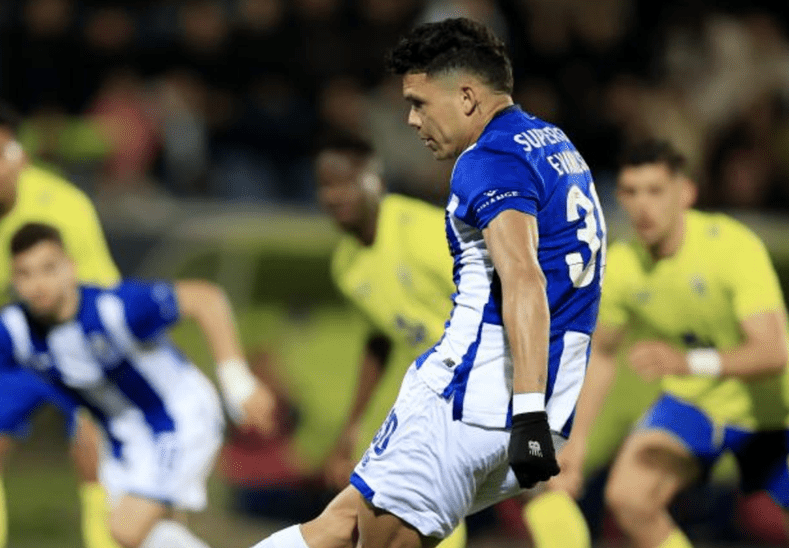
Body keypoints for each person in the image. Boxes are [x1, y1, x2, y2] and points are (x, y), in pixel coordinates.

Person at [254, 18, 605, 548]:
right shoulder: (554, 144)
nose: (412, 120)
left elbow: (524, 278)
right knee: (342, 524)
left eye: (420, 102)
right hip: (544, 395)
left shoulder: (485, 162)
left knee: (360, 532)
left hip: (469, 397)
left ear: (466, 96)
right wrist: (537, 412)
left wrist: (527, 411)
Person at [549, 139, 789, 548]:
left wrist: (688, 363)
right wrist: (576, 441)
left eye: (656, 191)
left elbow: (772, 353)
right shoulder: (622, 266)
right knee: (629, 498)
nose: (643, 205)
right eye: (631, 192)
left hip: (773, 414)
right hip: (695, 404)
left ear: (686, 193)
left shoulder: (732, 249)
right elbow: (603, 354)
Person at [314, 132, 592, 548]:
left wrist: (531, 385)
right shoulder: (346, 266)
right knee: (432, 490)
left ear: (374, 181)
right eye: (325, 185)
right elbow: (379, 340)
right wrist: (351, 426)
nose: (334, 195)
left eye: (344, 182)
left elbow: (507, 282)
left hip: (495, 368)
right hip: (446, 388)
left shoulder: (423, 231)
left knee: (526, 482)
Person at [0, 222, 278, 548]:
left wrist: (238, 384)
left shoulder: (112, 308)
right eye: (25, 274)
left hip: (177, 419)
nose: (37, 284)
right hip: (126, 437)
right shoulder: (12, 327)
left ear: (70, 268)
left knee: (125, 529)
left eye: (48, 269)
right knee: (151, 536)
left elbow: (206, 298)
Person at [0, 100, 120, 548]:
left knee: (94, 453)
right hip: (18, 346)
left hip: (80, 345)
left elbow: (103, 292)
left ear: (23, 157)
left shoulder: (67, 206)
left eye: (0, 152)